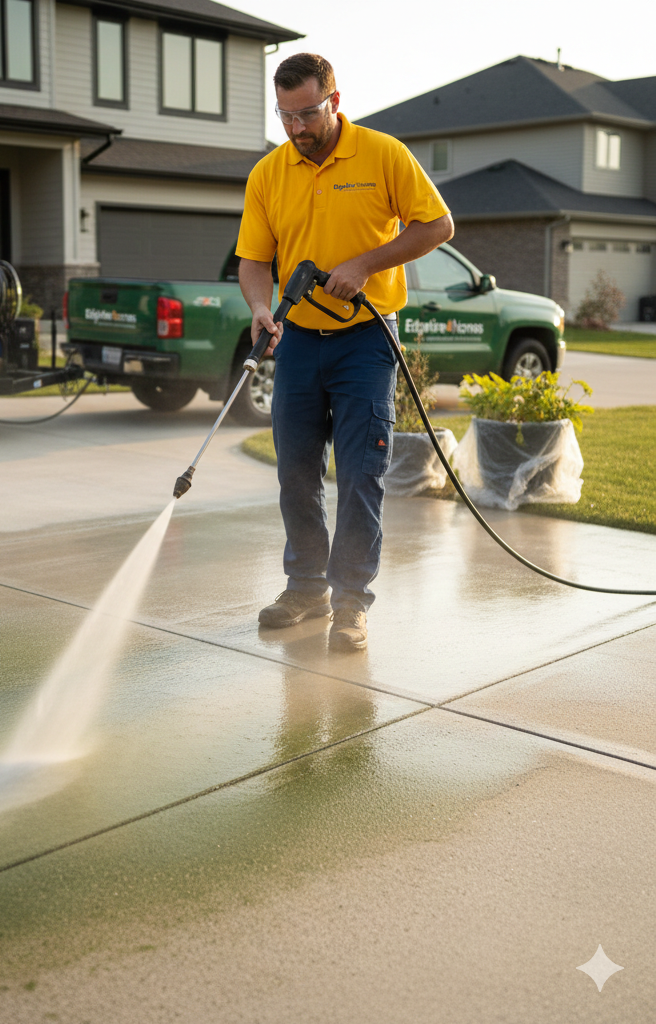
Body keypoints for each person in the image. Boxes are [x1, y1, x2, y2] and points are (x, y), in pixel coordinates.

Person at [236, 53, 453, 651]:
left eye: (307, 113)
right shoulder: (269, 173)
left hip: (366, 340)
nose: (297, 128)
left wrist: (364, 264)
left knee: (361, 474)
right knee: (296, 472)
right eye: (285, 116)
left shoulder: (382, 154)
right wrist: (260, 307)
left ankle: (351, 603)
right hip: (299, 342)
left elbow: (437, 225)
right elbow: (254, 259)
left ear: (334, 99)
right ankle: (306, 587)